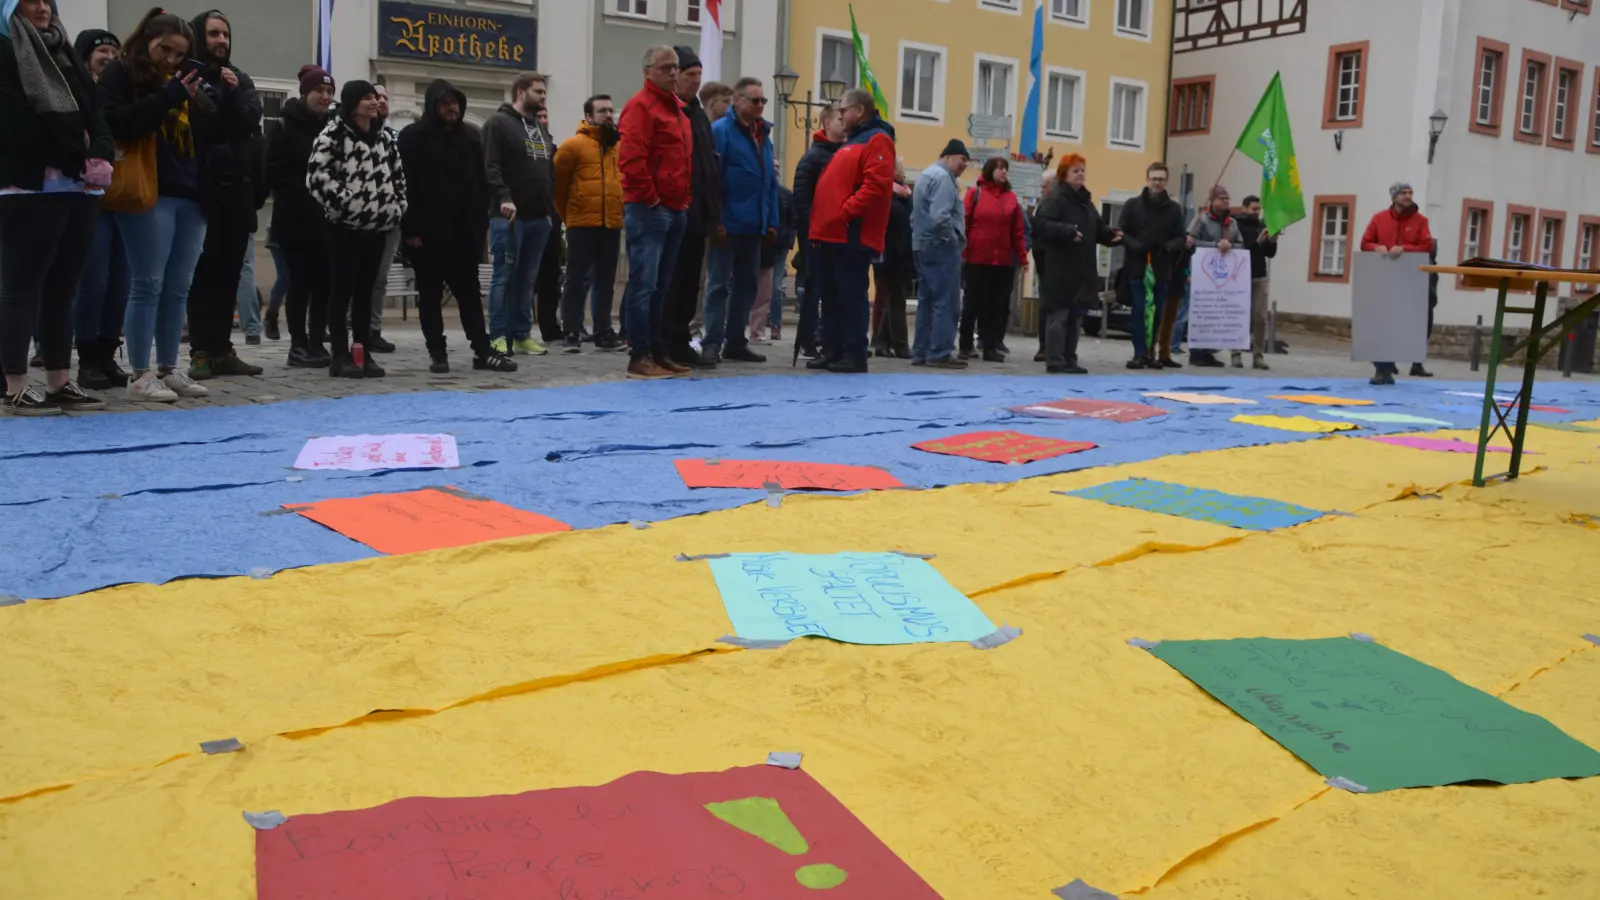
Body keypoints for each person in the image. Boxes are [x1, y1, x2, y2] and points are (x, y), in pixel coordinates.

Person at [0, 0, 113, 415]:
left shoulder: (64, 50)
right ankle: (14, 385)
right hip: (29, 185)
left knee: (62, 290)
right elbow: (14, 121)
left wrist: (101, 151)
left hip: (79, 187)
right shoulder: (5, 49)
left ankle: (59, 381)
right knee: (21, 289)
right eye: (30, 0)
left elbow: (94, 109)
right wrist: (75, 157)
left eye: (47, 0)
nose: (42, 7)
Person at [100, 9, 210, 403]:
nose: (171, 59)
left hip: (191, 191)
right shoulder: (121, 73)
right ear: (147, 39)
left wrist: (211, 98)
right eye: (165, 49)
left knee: (178, 287)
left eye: (179, 54)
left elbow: (211, 133)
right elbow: (119, 124)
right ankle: (140, 373)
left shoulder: (181, 82)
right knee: (147, 283)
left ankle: (168, 366)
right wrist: (168, 97)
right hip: (147, 188)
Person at [398, 78, 516, 374]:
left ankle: (482, 351)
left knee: (469, 295)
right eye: (445, 103)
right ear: (432, 105)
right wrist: (410, 230)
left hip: (464, 234)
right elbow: (404, 185)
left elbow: (480, 185)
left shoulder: (471, 139)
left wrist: (479, 227)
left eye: (455, 103)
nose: (451, 108)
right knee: (430, 296)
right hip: (427, 235)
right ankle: (437, 353)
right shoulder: (413, 138)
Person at [181, 8, 262, 381]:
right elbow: (207, 125)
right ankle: (200, 351)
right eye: (214, 34)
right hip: (205, 188)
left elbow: (250, 118)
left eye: (226, 34)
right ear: (200, 36)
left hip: (239, 190)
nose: (221, 41)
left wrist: (232, 96)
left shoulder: (239, 79)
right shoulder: (189, 77)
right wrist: (227, 107)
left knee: (230, 273)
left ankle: (222, 349)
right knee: (204, 273)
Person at [306, 79, 406, 378]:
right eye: (367, 98)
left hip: (377, 227)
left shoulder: (384, 138)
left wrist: (396, 207)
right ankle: (339, 355)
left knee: (365, 291)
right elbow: (316, 178)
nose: (375, 102)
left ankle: (362, 353)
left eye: (375, 97)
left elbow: (398, 177)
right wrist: (348, 204)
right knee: (342, 290)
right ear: (352, 104)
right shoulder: (332, 135)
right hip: (344, 228)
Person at [616, 44, 693, 378]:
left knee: (662, 287)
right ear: (648, 72)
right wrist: (650, 198)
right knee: (644, 285)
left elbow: (683, 159)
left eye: (675, 67)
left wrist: (683, 199)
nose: (674, 73)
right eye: (666, 68)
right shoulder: (640, 107)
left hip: (674, 207)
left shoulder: (678, 109)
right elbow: (631, 159)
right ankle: (639, 354)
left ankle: (659, 353)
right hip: (650, 208)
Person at [808, 87, 895, 374]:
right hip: (834, 232)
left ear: (859, 110)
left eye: (843, 109)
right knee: (832, 295)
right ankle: (833, 350)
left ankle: (854, 353)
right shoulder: (854, 141)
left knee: (850, 294)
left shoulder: (877, 139)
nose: (840, 114)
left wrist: (845, 211)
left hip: (851, 232)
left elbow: (876, 185)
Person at [70, 25, 129, 390]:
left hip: (125, 195)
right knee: (94, 281)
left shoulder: (123, 90)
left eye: (114, 52)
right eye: (101, 51)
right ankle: (88, 358)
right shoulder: (76, 90)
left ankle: (108, 353)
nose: (108, 57)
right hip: (89, 195)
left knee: (121, 283)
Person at [704, 76, 778, 365]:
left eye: (763, 101)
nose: (760, 105)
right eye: (754, 100)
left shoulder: (763, 136)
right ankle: (711, 342)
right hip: (728, 224)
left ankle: (735, 342)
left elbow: (769, 183)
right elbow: (711, 180)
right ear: (737, 100)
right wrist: (716, 220)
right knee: (718, 285)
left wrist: (771, 221)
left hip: (754, 225)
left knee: (747, 286)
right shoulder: (721, 131)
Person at [483, 71, 555, 356]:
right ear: (521, 92)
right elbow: (490, 166)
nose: (544, 96)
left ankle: (522, 334)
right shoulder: (498, 124)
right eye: (539, 91)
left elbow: (548, 172)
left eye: (545, 92)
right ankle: (498, 336)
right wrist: (504, 197)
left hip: (539, 218)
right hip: (508, 217)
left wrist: (549, 211)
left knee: (527, 279)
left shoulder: (540, 128)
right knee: (504, 277)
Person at [266, 64, 333, 369]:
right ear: (306, 93)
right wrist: (304, 191)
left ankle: (317, 341)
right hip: (294, 219)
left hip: (327, 220)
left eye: (329, 91)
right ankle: (298, 345)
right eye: (319, 90)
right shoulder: (284, 125)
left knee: (324, 285)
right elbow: (272, 171)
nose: (325, 96)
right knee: (299, 284)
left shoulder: (333, 128)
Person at [1031, 154, 1121, 374]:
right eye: (1075, 170)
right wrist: (1068, 231)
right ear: (1064, 174)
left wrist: (1111, 235)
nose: (1080, 174)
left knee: (1075, 317)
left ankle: (1070, 359)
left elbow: (1097, 228)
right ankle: (1055, 360)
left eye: (1082, 170)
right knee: (1059, 316)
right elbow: (1041, 225)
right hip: (1059, 269)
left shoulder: (1086, 202)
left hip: (1081, 269)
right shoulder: (1055, 199)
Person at [662, 48, 722, 369]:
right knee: (670, 280)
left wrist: (713, 212)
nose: (696, 81)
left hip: (697, 212)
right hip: (672, 209)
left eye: (699, 75)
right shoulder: (669, 110)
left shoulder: (697, 114)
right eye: (690, 75)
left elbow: (709, 165)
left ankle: (680, 340)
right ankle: (662, 341)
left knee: (689, 283)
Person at [553, 93, 623, 353]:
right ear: (589, 116)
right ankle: (571, 330)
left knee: (606, 280)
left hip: (611, 222)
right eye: (603, 110)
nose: (609, 115)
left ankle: (603, 331)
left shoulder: (617, 146)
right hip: (581, 222)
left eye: (611, 110)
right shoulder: (572, 146)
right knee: (575, 278)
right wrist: (569, 215)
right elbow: (558, 187)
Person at [1117, 162, 1189, 369]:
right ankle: (1139, 353)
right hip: (1137, 267)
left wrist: (1167, 247)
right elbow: (1121, 233)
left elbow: (1181, 237)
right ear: (1147, 179)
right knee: (1140, 310)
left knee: (1157, 312)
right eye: (1154, 178)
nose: (1157, 183)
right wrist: (1135, 245)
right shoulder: (1133, 205)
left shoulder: (1173, 209)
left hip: (1161, 268)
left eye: (1161, 179)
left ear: (1166, 181)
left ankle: (1151, 353)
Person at [1361, 181, 1434, 385]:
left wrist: (1404, 249)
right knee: (1381, 323)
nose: (1408, 196)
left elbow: (1427, 246)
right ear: (1394, 197)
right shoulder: (1379, 218)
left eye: (1410, 192)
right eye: (1404, 193)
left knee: (1401, 324)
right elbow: (1365, 242)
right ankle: (1381, 369)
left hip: (1410, 279)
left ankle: (1392, 364)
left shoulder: (1421, 221)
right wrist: (1376, 247)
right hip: (1383, 277)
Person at [791, 103, 845, 360]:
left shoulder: (843, 153)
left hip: (836, 232)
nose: (844, 123)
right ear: (827, 124)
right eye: (839, 119)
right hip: (815, 234)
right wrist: (811, 231)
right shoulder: (813, 157)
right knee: (813, 287)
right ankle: (808, 339)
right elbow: (802, 199)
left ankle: (828, 337)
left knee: (832, 288)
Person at [959, 156, 1026, 363]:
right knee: (972, 304)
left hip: (1002, 261)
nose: (1003, 172)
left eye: (1005, 169)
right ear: (990, 171)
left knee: (994, 306)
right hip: (977, 258)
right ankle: (965, 346)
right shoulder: (975, 193)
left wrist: (1022, 258)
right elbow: (964, 223)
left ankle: (990, 347)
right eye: (999, 168)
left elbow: (1018, 231)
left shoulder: (1011, 198)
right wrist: (963, 253)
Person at [910, 140, 969, 369]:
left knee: (926, 300)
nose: (965, 165)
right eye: (962, 159)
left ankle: (921, 351)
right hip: (941, 246)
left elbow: (915, 216)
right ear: (948, 156)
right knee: (946, 301)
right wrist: (952, 240)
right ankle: (940, 352)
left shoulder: (926, 175)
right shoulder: (944, 179)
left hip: (922, 245)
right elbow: (940, 217)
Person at [1185, 184, 1244, 368]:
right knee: (1201, 312)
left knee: (1215, 314)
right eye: (1222, 199)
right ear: (1212, 201)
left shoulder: (1232, 223)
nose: (1226, 202)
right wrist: (1215, 245)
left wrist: (1230, 246)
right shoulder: (1201, 219)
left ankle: (1208, 352)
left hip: (1223, 276)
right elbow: (1191, 242)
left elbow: (1241, 244)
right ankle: (1196, 353)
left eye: (1227, 199)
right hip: (1202, 273)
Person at [362, 83, 399, 354]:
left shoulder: (394, 138)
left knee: (380, 277)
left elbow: (402, 177)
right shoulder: (353, 135)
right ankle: (352, 328)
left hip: (389, 218)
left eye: (385, 97)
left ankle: (373, 329)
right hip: (360, 217)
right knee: (357, 276)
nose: (381, 101)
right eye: (376, 96)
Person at [871, 158, 913, 359]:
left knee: (893, 299)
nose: (903, 172)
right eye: (900, 167)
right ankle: (901, 345)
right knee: (896, 300)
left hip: (903, 254)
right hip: (890, 254)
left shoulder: (904, 196)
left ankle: (881, 342)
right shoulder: (886, 194)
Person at [1234, 193, 1277, 370]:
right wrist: (1257, 242)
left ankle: (1258, 354)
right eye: (1253, 209)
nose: (1256, 212)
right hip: (1240, 276)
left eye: (1258, 209)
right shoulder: (1236, 224)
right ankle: (1236, 353)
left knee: (1259, 316)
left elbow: (1270, 254)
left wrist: (1272, 241)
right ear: (1244, 208)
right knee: (1239, 316)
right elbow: (1242, 249)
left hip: (1259, 274)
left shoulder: (1262, 225)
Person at [751, 171, 793, 343]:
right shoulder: (759, 191)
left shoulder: (785, 194)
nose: (775, 171)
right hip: (759, 242)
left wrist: (789, 241)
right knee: (752, 286)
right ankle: (754, 328)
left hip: (778, 246)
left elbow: (791, 219)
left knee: (773, 288)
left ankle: (773, 325)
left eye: (777, 168)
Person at [1033, 169, 1056, 363]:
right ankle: (1044, 346)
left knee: (1052, 306)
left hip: (1055, 261)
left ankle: (1050, 347)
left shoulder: (1056, 205)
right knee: (1046, 305)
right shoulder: (1043, 206)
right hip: (1044, 262)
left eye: (1046, 186)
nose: (1042, 189)